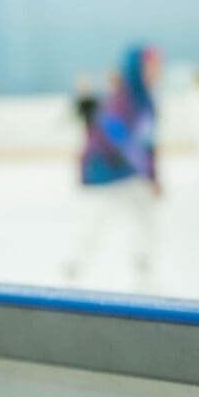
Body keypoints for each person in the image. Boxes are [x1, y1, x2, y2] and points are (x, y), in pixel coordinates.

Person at [64, 46, 162, 289]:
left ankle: (142, 269)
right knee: (94, 222)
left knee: (144, 220)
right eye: (150, 67)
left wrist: (152, 175)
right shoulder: (123, 99)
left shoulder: (146, 101)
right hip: (102, 174)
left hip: (126, 175)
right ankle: (74, 267)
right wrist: (144, 169)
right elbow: (116, 137)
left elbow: (148, 143)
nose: (156, 72)